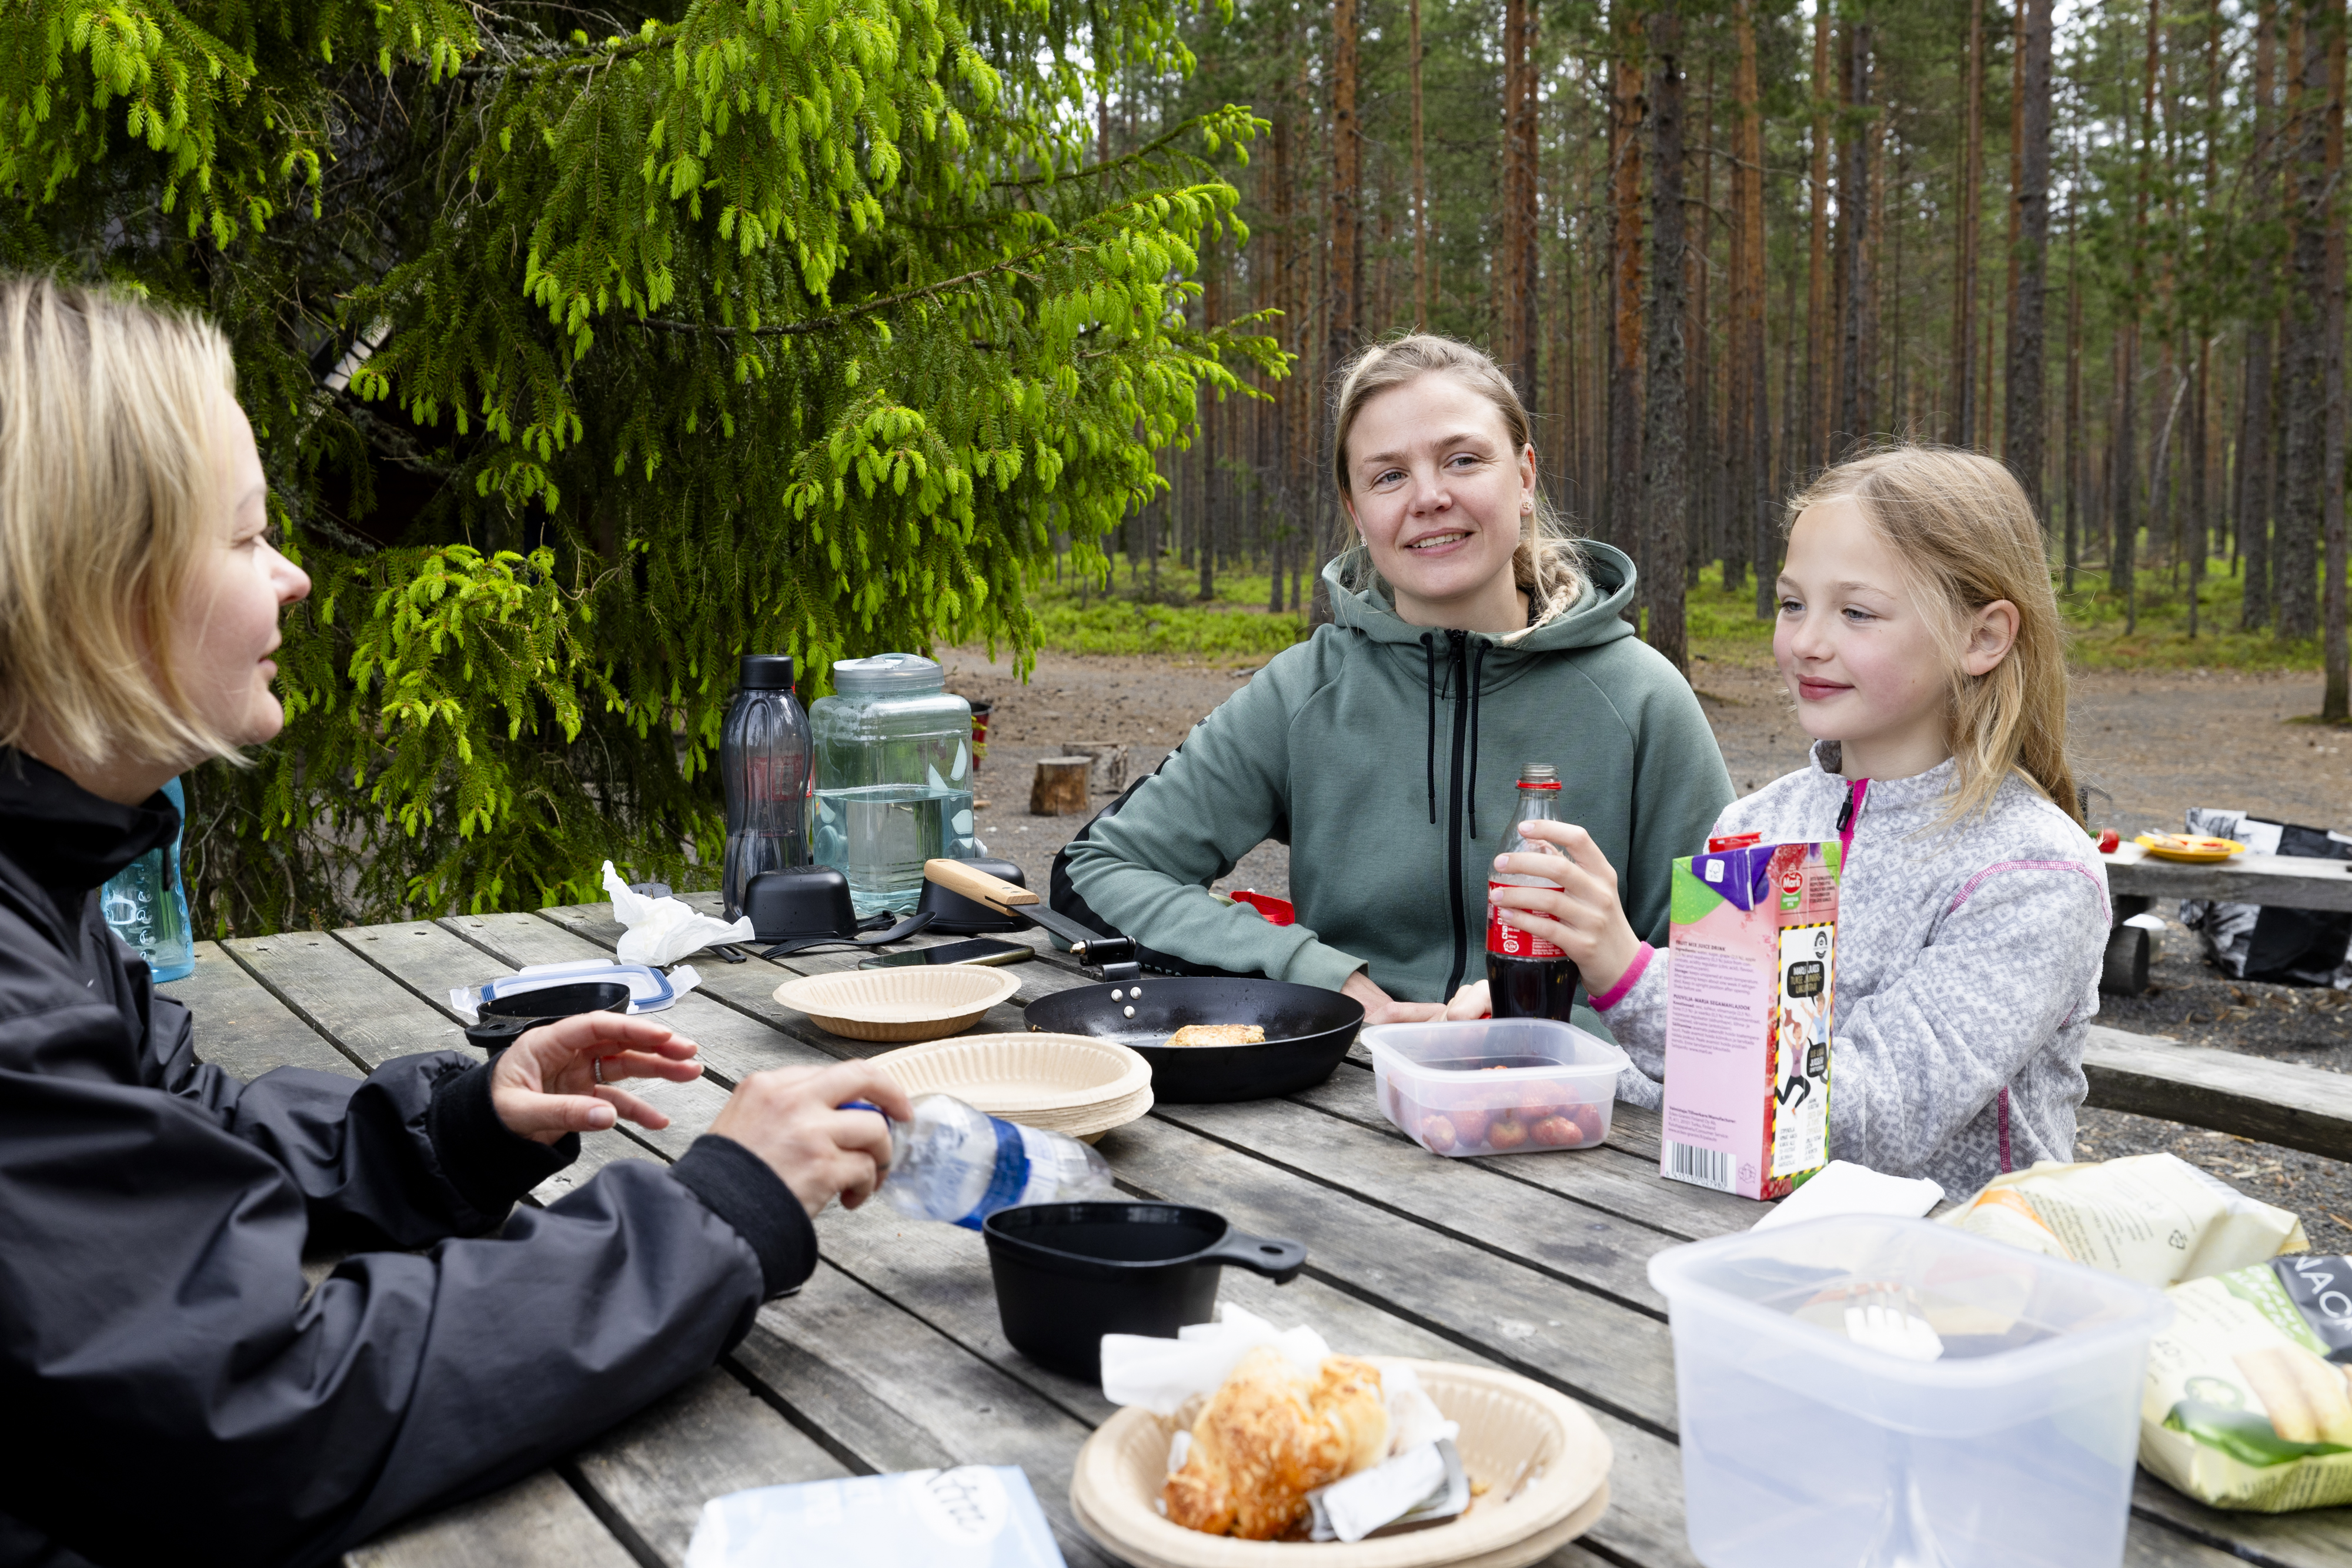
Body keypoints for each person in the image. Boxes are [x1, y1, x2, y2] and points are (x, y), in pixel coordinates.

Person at [0, 278, 914, 1567]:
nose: (296, 576)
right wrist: (718, 1212)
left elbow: (172, 1133)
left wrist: (452, 1129)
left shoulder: (39, 877)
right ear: (102, 583)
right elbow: (253, 1416)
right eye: (249, 538)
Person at [1454, 445, 2105, 1195]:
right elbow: (1693, 1089)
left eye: (1855, 612)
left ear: (1982, 637)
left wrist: (1624, 970)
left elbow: (1866, 1117)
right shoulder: (1755, 824)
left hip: (1951, 1276)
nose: (1805, 642)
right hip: (1735, 1237)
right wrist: (1539, 1049)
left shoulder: (2032, 875)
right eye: (1792, 604)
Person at [1060, 335, 1733, 1027]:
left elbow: (1726, 972)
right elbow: (1101, 867)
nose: (1430, 498)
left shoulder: (1642, 699)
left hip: (1584, 1105)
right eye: (1388, 477)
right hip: (1340, 1094)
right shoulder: (1305, 692)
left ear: (1525, 478)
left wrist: (1548, 1013)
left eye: (1463, 460)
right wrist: (1320, 978)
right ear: (1356, 512)